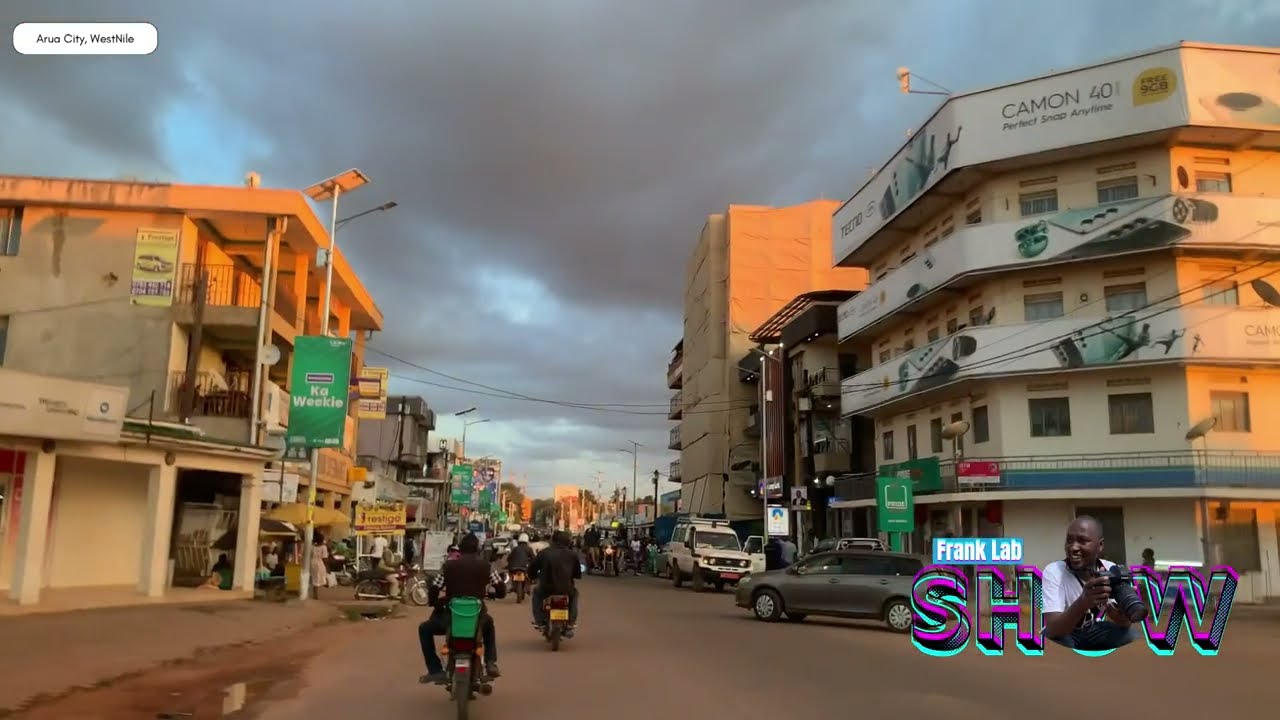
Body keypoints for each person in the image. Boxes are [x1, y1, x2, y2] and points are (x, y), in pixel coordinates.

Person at [417, 533, 504, 685]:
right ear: (477, 549)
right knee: (489, 627)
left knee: (424, 629)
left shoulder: (448, 566)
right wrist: (494, 593)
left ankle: (435, 670)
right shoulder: (486, 566)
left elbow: (435, 588)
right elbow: (501, 589)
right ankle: (490, 662)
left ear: (461, 550)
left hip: (451, 617)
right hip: (477, 619)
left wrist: (435, 603)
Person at [1042, 515, 1137, 651]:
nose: (1073, 547)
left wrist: (1121, 617)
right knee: (1059, 642)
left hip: (1091, 630)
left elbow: (1125, 623)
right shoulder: (1054, 571)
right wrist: (1083, 601)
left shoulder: (1110, 569)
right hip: (1064, 631)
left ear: (1100, 545)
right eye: (1069, 541)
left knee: (1129, 635)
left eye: (1082, 541)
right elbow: (1053, 630)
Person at [529, 530, 582, 634]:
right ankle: (571, 622)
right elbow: (577, 574)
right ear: (567, 541)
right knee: (574, 595)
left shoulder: (544, 553)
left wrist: (533, 577)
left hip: (546, 589)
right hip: (566, 588)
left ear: (553, 540)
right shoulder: (572, 555)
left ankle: (540, 621)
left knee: (536, 593)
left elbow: (532, 569)